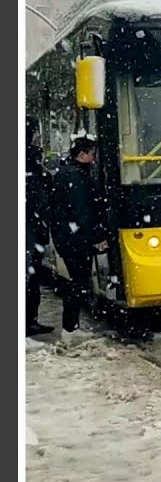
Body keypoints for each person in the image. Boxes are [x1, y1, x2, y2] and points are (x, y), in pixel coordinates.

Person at [50, 136, 108, 337]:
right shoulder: (77, 177)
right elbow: (84, 213)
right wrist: (98, 237)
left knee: (77, 282)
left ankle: (71, 327)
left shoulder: (67, 173)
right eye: (92, 154)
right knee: (78, 283)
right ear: (82, 155)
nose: (94, 159)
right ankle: (70, 328)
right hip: (75, 239)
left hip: (68, 237)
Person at [25, 117, 54, 336]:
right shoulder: (30, 163)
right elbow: (39, 201)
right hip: (29, 231)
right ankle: (28, 322)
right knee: (29, 278)